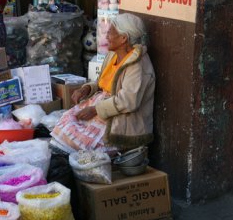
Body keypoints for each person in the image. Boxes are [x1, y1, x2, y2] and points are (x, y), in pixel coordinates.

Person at [51, 13, 155, 154]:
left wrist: (94, 110)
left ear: (124, 38)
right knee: (65, 123)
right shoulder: (113, 55)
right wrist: (87, 89)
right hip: (103, 106)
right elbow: (102, 81)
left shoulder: (137, 65)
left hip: (120, 120)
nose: (106, 36)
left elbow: (128, 101)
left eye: (110, 32)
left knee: (82, 144)